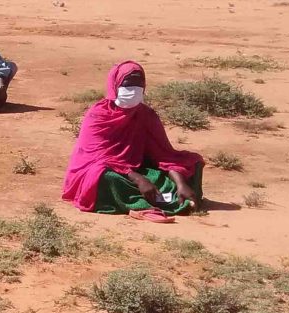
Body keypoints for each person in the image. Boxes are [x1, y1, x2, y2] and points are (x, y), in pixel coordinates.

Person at [62, 61, 205, 223]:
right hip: (103, 171)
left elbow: (163, 155)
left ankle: (175, 197)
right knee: (104, 177)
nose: (133, 90)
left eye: (138, 85)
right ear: (114, 85)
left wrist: (180, 183)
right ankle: (140, 206)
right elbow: (98, 158)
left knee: (192, 164)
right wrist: (138, 180)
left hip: (137, 168)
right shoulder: (98, 115)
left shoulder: (146, 115)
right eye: (128, 84)